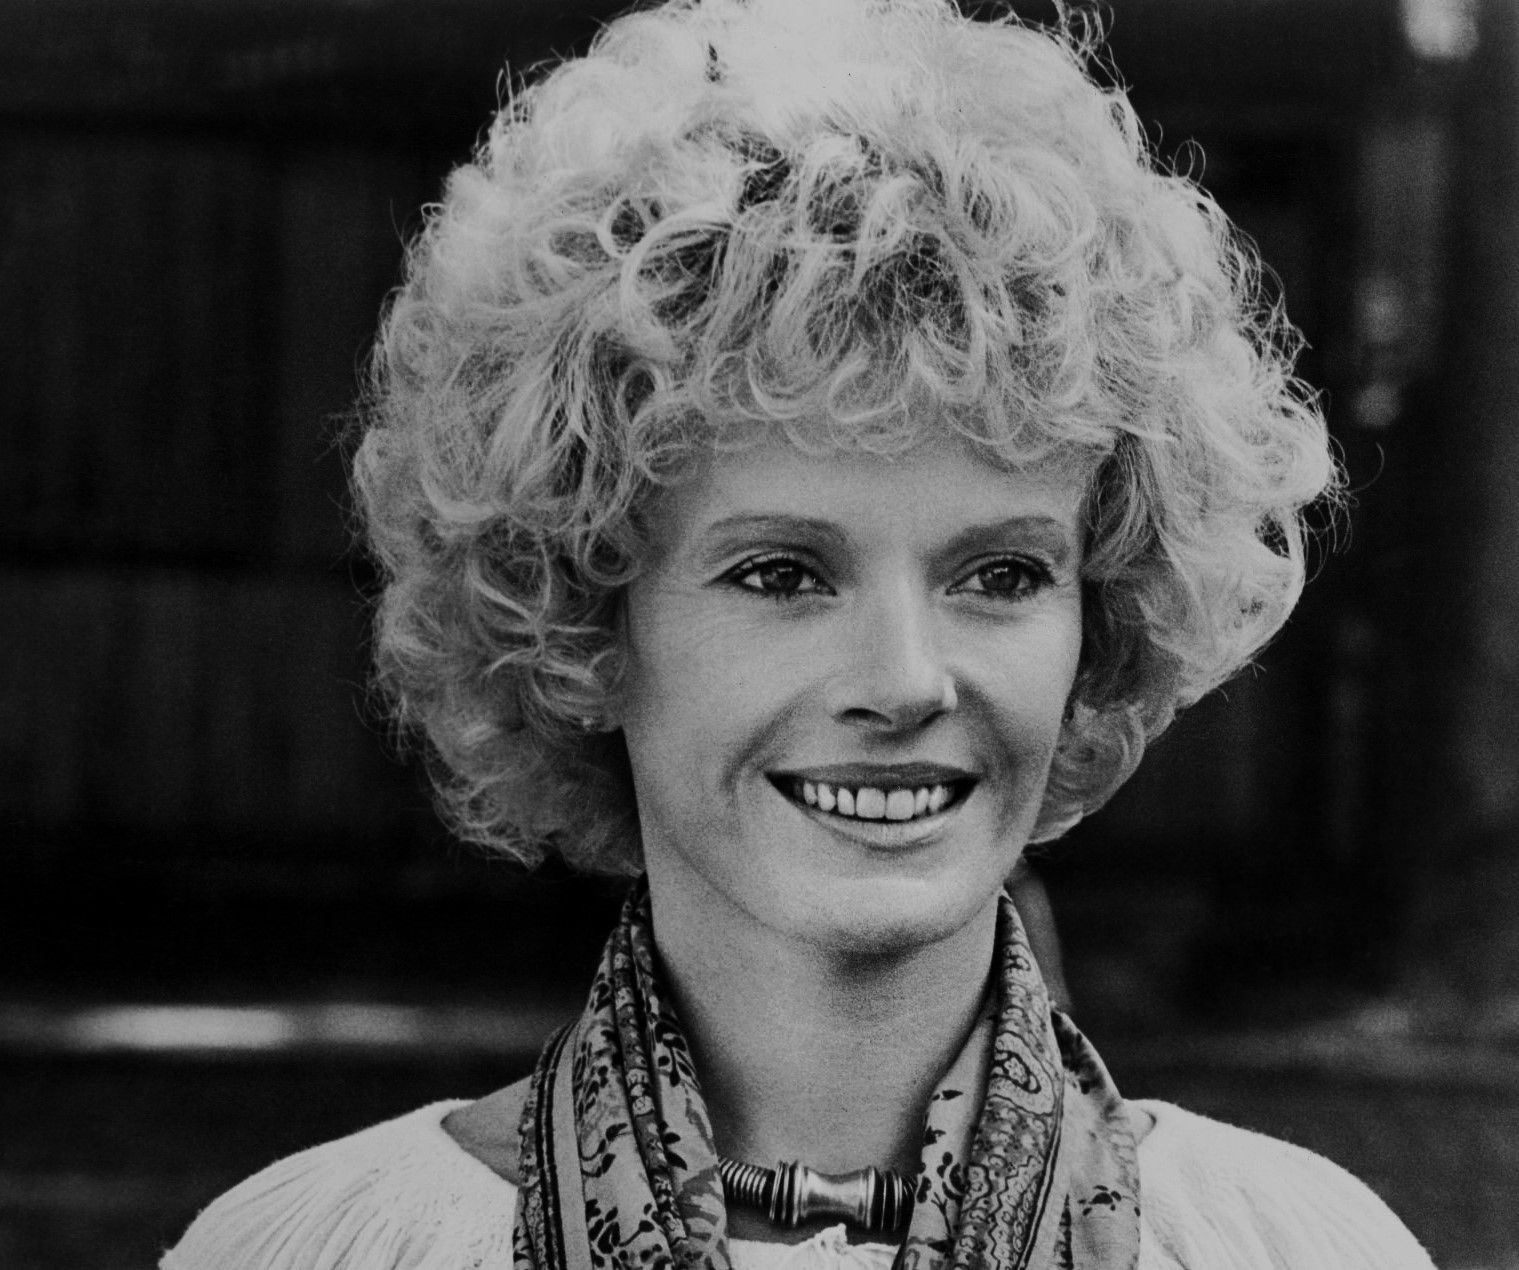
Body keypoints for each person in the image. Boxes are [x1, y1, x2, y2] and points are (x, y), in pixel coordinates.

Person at [163, 0, 1438, 1265]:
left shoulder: (1290, 1249)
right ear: (583, 623)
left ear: (1096, 622)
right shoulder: (321, 1250)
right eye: (781, 573)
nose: (903, 679)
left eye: (999, 573)